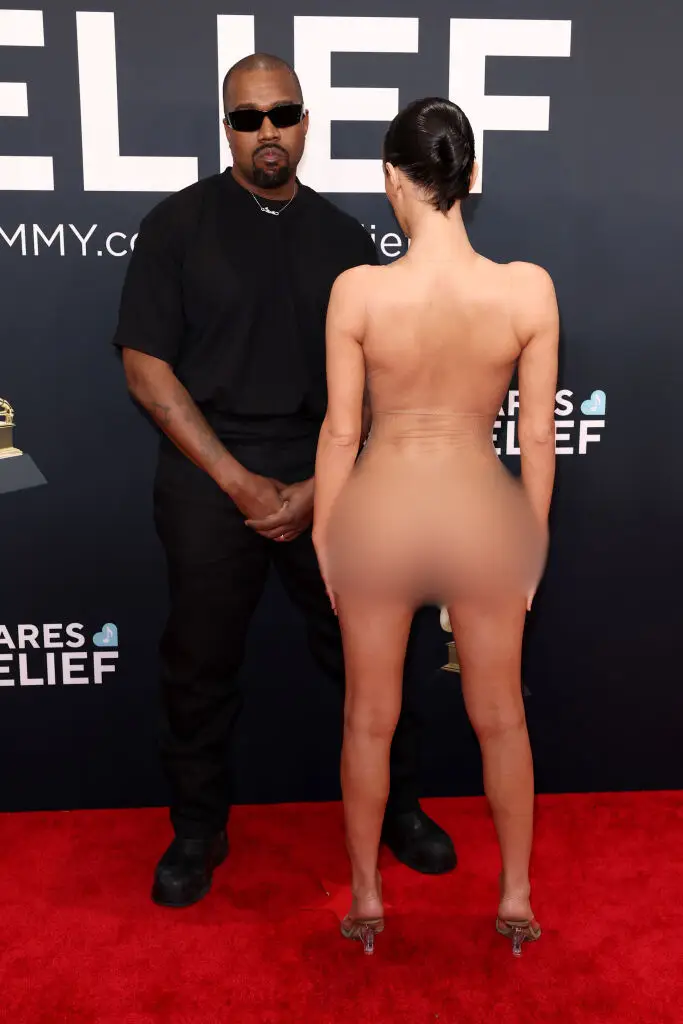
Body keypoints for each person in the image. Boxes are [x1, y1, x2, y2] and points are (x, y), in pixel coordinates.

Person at [112, 56, 455, 909]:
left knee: (370, 657)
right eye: (247, 117)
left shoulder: (346, 240)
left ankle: (399, 807)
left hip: (331, 469)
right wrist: (236, 482)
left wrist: (313, 487)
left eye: (283, 113)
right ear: (225, 126)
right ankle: (196, 829)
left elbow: (382, 381)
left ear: (307, 121)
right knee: (196, 665)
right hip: (207, 473)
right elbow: (146, 368)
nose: (267, 131)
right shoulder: (175, 227)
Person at [313, 97, 558, 955]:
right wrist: (531, 542)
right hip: (478, 515)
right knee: (501, 719)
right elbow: (533, 437)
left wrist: (323, 538)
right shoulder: (525, 289)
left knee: (367, 720)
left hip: (378, 512)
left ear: (390, 179)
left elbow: (342, 432)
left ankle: (368, 903)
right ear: (471, 175)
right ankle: (517, 900)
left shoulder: (359, 292)